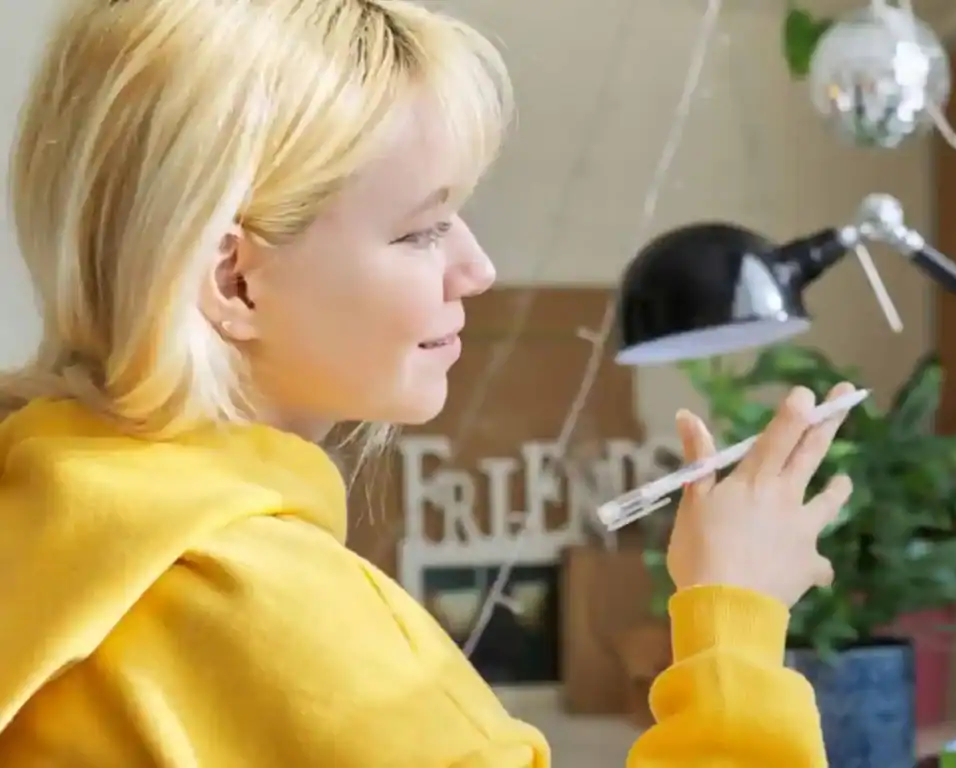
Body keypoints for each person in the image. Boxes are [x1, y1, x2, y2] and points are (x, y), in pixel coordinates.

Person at [0, 1, 853, 765]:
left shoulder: (36, 526)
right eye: (422, 231)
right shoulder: (296, 628)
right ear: (235, 282)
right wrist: (733, 620)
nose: (476, 269)